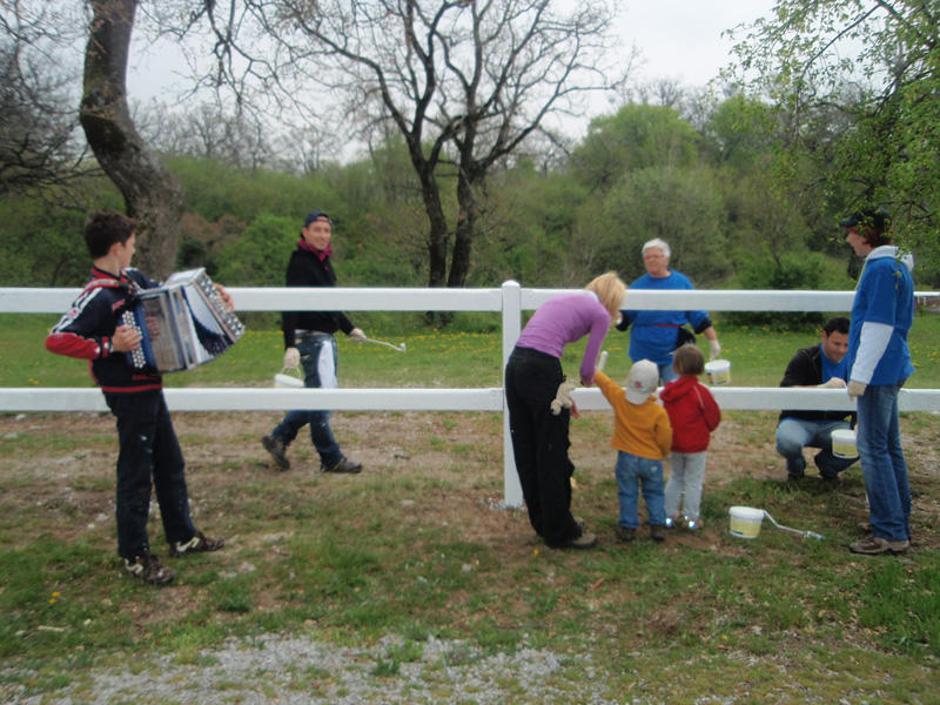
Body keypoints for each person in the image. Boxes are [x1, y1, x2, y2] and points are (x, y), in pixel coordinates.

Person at [45, 211, 226, 585]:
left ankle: (182, 535)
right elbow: (57, 338)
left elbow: (170, 297)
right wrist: (110, 345)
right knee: (136, 472)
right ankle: (134, 554)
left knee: (170, 462)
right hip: (127, 392)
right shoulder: (97, 296)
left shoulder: (133, 281)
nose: (134, 250)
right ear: (116, 248)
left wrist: (214, 296)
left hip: (149, 385)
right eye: (130, 245)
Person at [504, 272, 627, 550]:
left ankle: (544, 522)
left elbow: (539, 344)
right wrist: (584, 381)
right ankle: (561, 531)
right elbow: (587, 371)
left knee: (527, 446)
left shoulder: (561, 300)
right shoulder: (600, 314)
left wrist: (563, 396)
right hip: (542, 367)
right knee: (552, 451)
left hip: (516, 367)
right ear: (612, 301)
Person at [261, 210, 366, 474]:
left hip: (325, 340)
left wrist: (349, 327)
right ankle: (331, 458)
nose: (322, 235)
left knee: (320, 396)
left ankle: (279, 437)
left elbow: (328, 305)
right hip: (311, 341)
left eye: (327, 230)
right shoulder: (300, 262)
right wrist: (290, 344)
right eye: (317, 229)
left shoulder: (324, 262)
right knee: (321, 400)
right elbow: (290, 305)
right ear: (305, 232)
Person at [841, 209, 915, 556]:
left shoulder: (883, 269)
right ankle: (898, 518)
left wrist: (859, 376)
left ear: (865, 234)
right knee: (889, 446)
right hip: (890, 366)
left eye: (852, 233)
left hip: (878, 371)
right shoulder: (896, 265)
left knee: (872, 449)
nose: (848, 239)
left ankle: (889, 531)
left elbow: (878, 326)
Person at [616, 238, 721, 383]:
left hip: (673, 354)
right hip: (642, 352)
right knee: (643, 398)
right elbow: (624, 318)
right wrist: (613, 313)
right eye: (647, 257)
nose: (651, 260)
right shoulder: (637, 286)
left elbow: (698, 315)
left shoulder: (681, 283)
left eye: (655, 256)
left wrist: (713, 341)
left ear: (666, 259)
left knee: (674, 395)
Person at [594, 359, 672, 542]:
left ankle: (628, 526)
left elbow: (607, 385)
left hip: (626, 458)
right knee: (654, 492)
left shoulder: (620, 399)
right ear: (654, 387)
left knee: (627, 492)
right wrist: (664, 452)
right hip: (652, 460)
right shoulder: (658, 412)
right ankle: (658, 525)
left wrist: (595, 371)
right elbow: (665, 437)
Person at [775, 316, 858, 481]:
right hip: (799, 421)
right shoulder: (805, 357)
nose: (841, 350)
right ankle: (796, 467)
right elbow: (785, 390)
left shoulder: (857, 364)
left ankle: (828, 465)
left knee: (867, 439)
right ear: (824, 336)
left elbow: (864, 399)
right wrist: (821, 388)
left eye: (847, 345)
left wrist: (858, 424)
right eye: (836, 344)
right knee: (787, 441)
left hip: (834, 425)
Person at [661, 344, 721, 530]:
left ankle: (668, 515)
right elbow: (714, 417)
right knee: (694, 481)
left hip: (675, 444)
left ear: (676, 366)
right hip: (696, 445)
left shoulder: (669, 392)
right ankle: (691, 519)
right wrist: (706, 430)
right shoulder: (700, 391)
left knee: (676, 477)